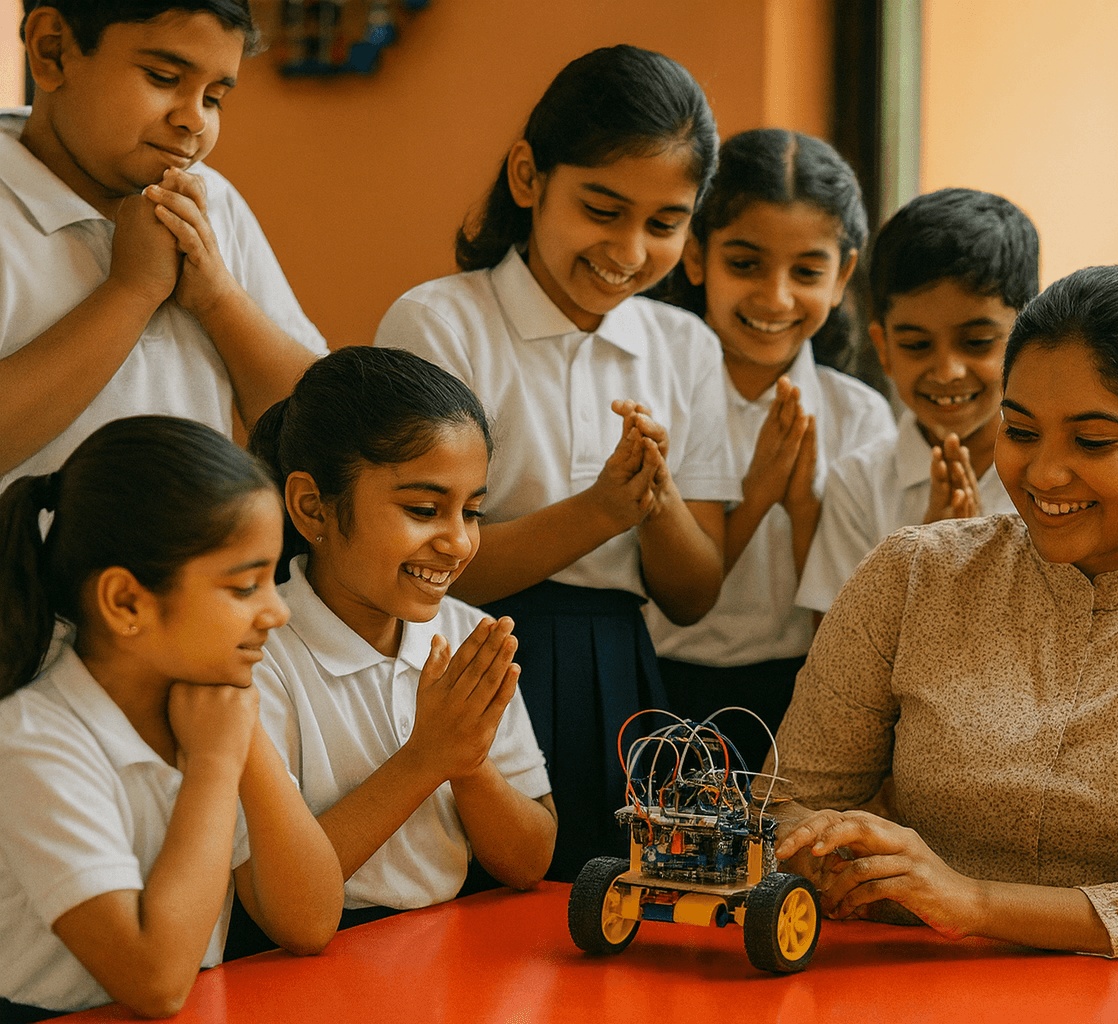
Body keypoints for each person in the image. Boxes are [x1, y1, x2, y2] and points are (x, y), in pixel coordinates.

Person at [772, 265, 1118, 968]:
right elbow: (784, 805)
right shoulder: (911, 576)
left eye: (1093, 441)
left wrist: (975, 903)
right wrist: (822, 850)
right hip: (904, 987)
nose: (1044, 473)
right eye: (1020, 431)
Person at [374, 45, 736, 881]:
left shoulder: (684, 347)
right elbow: (426, 569)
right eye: (603, 209)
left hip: (620, 670)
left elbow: (693, 594)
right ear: (528, 176)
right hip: (465, 657)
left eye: (665, 224)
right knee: (471, 898)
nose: (630, 249)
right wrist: (601, 512)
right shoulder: (440, 323)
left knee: (611, 897)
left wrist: (655, 499)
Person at [0, 416, 341, 1020]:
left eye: (272, 580)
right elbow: (154, 981)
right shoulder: (31, 742)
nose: (277, 612)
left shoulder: (209, 709)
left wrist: (245, 744)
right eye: (245, 587)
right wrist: (213, 766)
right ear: (126, 601)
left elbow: (310, 921)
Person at [236, 347, 554, 954]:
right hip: (299, 967)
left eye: (473, 511)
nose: (458, 542)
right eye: (424, 510)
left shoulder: (468, 636)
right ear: (311, 506)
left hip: (444, 948)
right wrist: (428, 757)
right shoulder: (255, 657)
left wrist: (468, 762)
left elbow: (530, 859)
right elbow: (285, 910)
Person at [0, 1, 327, 496]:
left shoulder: (212, 201)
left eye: (214, 98)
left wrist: (218, 298)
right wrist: (132, 291)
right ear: (53, 50)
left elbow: (323, 433)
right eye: (163, 77)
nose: (194, 119)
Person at [643, 128, 895, 766]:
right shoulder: (649, 395)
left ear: (842, 276)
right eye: (745, 264)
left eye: (806, 272)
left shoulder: (859, 416)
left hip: (806, 696)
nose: (775, 297)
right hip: (654, 686)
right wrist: (755, 498)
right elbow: (661, 593)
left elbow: (864, 618)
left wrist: (804, 506)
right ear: (696, 257)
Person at [796, 188, 1037, 617]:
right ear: (884, 348)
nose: (947, 371)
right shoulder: (859, 486)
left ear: (1029, 340)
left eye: (977, 342)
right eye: (916, 345)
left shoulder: (1054, 477)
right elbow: (835, 644)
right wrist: (923, 562)